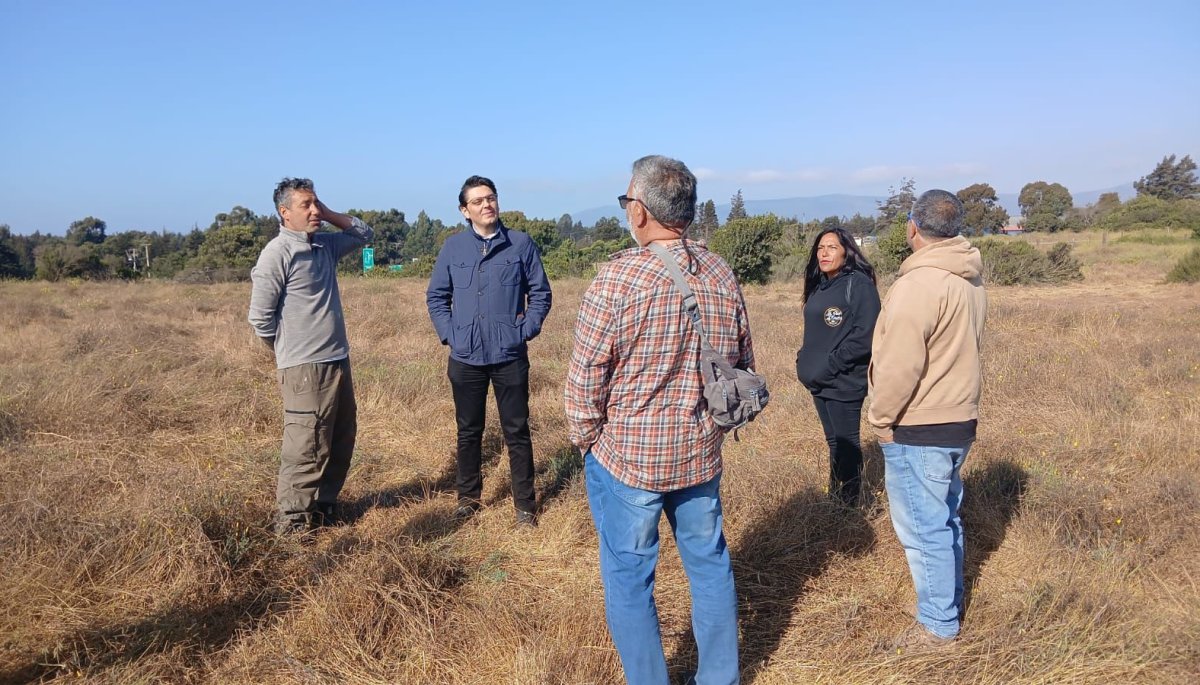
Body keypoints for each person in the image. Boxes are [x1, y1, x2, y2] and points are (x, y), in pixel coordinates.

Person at [565, 155, 754, 684]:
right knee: (710, 565)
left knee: (629, 579)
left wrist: (587, 441)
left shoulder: (618, 277)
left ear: (642, 211)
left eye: (627, 200)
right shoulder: (720, 272)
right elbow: (742, 363)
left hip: (628, 460)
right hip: (699, 454)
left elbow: (584, 382)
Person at [868, 189, 987, 650]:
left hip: (919, 423)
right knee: (945, 519)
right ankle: (949, 605)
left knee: (923, 529)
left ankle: (938, 627)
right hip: (959, 417)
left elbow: (900, 364)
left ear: (911, 227)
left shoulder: (918, 284)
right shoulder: (969, 278)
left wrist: (881, 419)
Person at [248, 177, 374, 535]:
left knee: (339, 436)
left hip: (338, 359)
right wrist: (291, 351)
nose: (315, 210)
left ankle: (324, 507)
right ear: (284, 213)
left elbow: (365, 235)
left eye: (316, 203)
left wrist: (327, 212)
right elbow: (260, 318)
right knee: (306, 445)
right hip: (304, 367)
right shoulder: (278, 253)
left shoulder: (323, 246)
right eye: (306, 205)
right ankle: (291, 524)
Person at [426, 176, 552, 527]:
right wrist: (450, 335)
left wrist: (523, 331)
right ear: (464, 211)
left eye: (491, 198)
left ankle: (525, 507)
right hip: (465, 357)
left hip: (509, 355)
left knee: (517, 431)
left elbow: (541, 294)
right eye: (478, 201)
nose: (487, 205)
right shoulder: (453, 249)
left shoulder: (520, 244)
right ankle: (468, 500)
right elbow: (436, 297)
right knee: (468, 431)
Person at [795, 227, 880, 506]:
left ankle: (850, 504)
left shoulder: (859, 285)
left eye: (831, 247)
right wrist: (804, 359)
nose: (824, 253)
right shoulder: (821, 285)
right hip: (820, 381)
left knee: (847, 443)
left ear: (847, 251)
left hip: (843, 380)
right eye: (820, 248)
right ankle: (836, 498)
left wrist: (829, 365)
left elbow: (866, 336)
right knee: (834, 443)